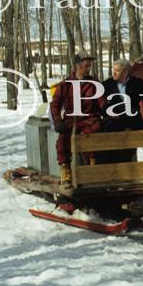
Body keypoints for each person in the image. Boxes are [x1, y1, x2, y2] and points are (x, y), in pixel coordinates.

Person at [50, 52, 106, 187]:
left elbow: (102, 102)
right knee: (63, 139)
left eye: (90, 66)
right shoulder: (65, 84)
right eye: (86, 66)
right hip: (72, 120)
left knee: (91, 135)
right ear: (77, 66)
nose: (89, 69)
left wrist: (108, 109)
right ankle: (65, 169)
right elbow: (55, 104)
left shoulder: (94, 83)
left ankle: (91, 166)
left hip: (90, 118)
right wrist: (57, 121)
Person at [101, 59, 143, 162]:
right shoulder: (106, 85)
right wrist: (107, 113)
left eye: (117, 70)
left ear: (125, 72)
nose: (114, 73)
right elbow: (100, 104)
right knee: (106, 139)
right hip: (115, 119)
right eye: (114, 69)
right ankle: (111, 166)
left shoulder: (137, 83)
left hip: (133, 118)